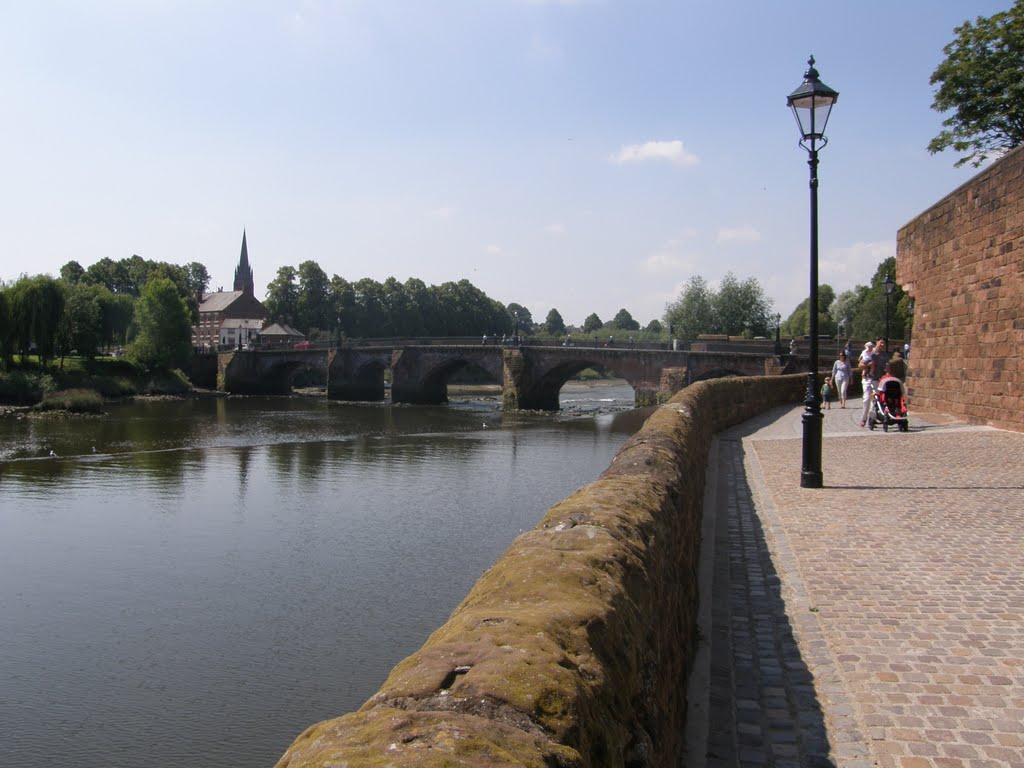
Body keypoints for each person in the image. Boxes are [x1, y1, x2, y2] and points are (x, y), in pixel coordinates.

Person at [859, 339, 888, 427]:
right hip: (868, 379)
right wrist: (868, 365)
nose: (882, 345)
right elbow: (860, 365)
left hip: (877, 380)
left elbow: (887, 367)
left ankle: (872, 419)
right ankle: (864, 418)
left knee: (876, 401)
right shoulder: (870, 353)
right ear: (877, 343)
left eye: (884, 343)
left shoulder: (885, 356)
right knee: (867, 399)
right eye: (881, 342)